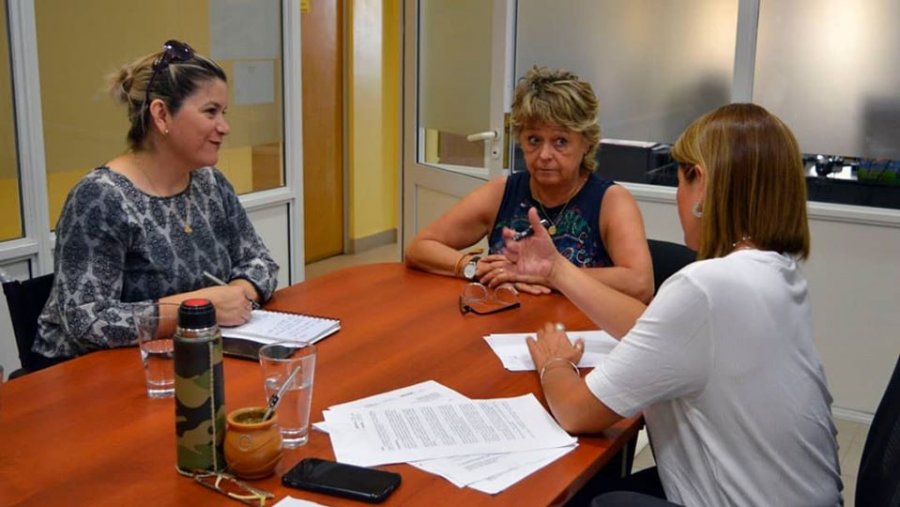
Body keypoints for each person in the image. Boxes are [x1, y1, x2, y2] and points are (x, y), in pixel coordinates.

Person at [503, 104, 841, 506]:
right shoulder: (776, 273)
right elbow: (653, 329)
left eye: (680, 183)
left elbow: (576, 412)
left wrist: (555, 363)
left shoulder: (706, 287)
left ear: (701, 184)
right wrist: (557, 270)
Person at [33, 40, 279, 363]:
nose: (224, 127)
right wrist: (198, 309)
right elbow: (86, 320)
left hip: (186, 358)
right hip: (86, 375)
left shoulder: (210, 183)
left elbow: (260, 262)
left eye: (224, 113)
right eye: (210, 112)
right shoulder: (101, 197)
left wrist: (237, 296)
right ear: (161, 115)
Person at [405, 67, 652, 300]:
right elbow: (420, 247)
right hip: (505, 322)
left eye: (561, 142)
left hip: (579, 328)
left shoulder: (611, 201)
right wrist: (471, 266)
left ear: (586, 143)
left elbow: (640, 284)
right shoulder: (501, 192)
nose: (544, 155)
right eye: (534, 140)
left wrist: (547, 276)